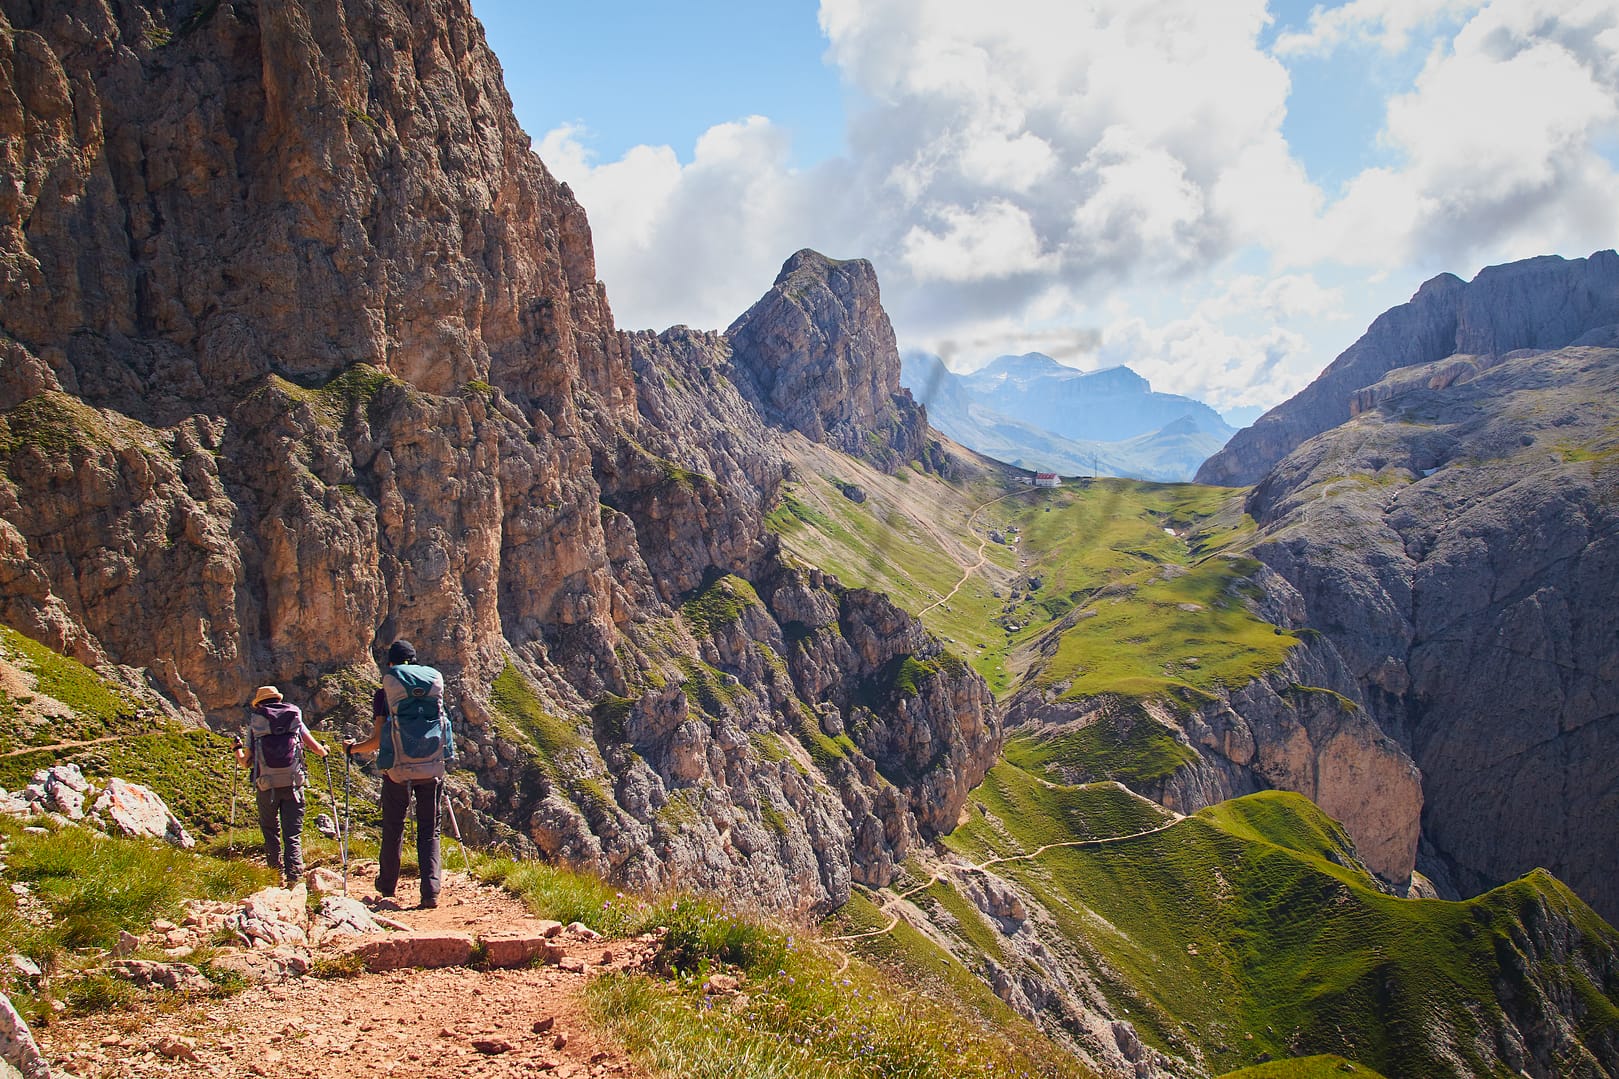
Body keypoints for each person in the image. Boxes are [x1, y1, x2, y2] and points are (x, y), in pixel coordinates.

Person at [344, 639, 455, 909]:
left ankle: (387, 886)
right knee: (430, 830)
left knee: (393, 826)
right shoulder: (431, 691)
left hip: (397, 770)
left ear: (391, 664)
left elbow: (378, 740)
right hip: (431, 768)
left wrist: (353, 749)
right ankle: (430, 890)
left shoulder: (386, 694)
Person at [238, 685, 328, 886]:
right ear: (278, 699)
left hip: (266, 785)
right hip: (293, 784)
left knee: (270, 830)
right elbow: (316, 748)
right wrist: (325, 750)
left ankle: (274, 875)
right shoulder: (293, 717)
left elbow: (246, 762)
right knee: (292, 834)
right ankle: (294, 877)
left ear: (259, 703)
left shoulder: (256, 722)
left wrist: (236, 751)